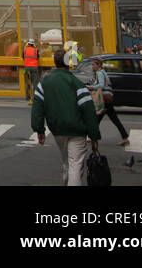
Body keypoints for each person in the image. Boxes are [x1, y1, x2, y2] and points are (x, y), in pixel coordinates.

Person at [30, 48, 101, 186]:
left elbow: (37, 107)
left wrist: (39, 130)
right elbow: (89, 112)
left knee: (66, 162)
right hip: (77, 130)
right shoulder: (77, 84)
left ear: (55, 63)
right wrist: (94, 136)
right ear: (68, 63)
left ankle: (66, 181)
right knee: (75, 164)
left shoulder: (44, 83)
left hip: (58, 130)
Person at [87, 57, 129, 144]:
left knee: (97, 118)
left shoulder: (99, 73)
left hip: (104, 99)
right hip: (107, 99)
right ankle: (124, 137)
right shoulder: (102, 72)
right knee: (113, 119)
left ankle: (91, 136)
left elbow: (101, 85)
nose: (92, 66)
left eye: (93, 64)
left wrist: (92, 87)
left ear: (98, 65)